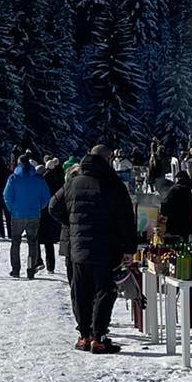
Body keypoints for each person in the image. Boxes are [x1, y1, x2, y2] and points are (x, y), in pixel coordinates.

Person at [48, 144, 138, 353]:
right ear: (108, 160)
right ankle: (99, 336)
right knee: (105, 291)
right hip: (107, 246)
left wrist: (71, 223)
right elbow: (125, 219)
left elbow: (53, 207)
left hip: (78, 247)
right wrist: (129, 247)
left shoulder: (73, 182)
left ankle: (83, 335)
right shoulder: (113, 184)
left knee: (81, 291)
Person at [4, 155, 52, 277]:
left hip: (17, 214)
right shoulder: (38, 179)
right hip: (34, 214)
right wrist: (39, 207)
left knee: (15, 242)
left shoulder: (13, 178)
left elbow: (7, 196)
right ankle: (31, 269)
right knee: (32, 242)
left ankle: (15, 269)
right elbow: (46, 196)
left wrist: (12, 209)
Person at [159, 167, 192, 244]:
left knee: (177, 244)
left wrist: (164, 214)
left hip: (176, 223)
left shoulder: (174, 190)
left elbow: (165, 204)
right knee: (191, 243)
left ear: (178, 179)